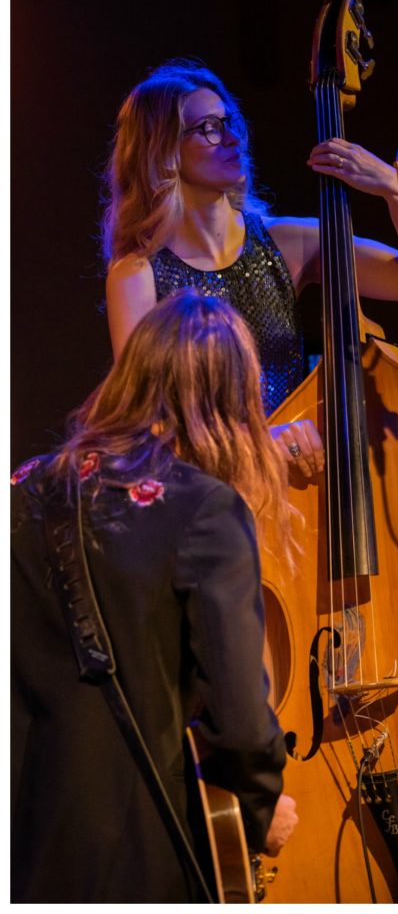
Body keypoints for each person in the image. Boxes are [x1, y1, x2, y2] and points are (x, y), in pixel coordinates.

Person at [11, 291, 299, 902]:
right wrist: (256, 808)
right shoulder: (204, 509)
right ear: (233, 406)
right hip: (138, 845)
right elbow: (241, 719)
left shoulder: (17, 490)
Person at [102, 60, 398, 477]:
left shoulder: (286, 242)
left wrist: (395, 189)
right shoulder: (137, 274)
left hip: (294, 486)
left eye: (230, 122)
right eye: (209, 128)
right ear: (162, 150)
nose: (232, 138)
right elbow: (145, 422)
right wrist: (253, 445)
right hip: (203, 496)